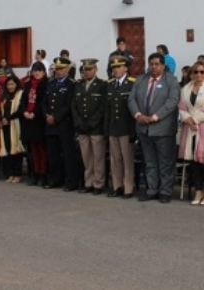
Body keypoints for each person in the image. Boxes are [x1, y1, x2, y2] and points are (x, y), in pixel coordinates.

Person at [129, 52, 181, 203]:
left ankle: (165, 191)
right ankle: (152, 190)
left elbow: (172, 101)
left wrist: (155, 117)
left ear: (163, 65)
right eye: (151, 64)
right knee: (150, 161)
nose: (154, 67)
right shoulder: (141, 79)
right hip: (144, 127)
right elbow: (131, 99)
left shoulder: (171, 80)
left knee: (165, 162)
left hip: (163, 128)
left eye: (157, 64)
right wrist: (138, 115)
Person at [178, 61, 204, 206]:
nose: (199, 74)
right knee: (193, 162)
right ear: (191, 74)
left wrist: (193, 118)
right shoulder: (185, 89)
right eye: (195, 72)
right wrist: (186, 118)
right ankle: (198, 190)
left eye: (202, 72)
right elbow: (182, 108)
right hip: (190, 128)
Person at [72, 59, 108, 194]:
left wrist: (92, 123)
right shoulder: (78, 85)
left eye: (89, 69)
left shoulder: (102, 85)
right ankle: (88, 182)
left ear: (95, 70)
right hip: (82, 128)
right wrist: (79, 123)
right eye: (85, 70)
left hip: (96, 128)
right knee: (86, 157)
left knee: (98, 158)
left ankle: (98, 184)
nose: (87, 72)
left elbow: (102, 107)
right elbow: (74, 106)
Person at [43, 57, 77, 190]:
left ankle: (71, 181)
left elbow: (69, 105)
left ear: (67, 70)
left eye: (61, 69)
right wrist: (46, 115)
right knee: (53, 154)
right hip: (50, 125)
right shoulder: (51, 83)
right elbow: (44, 102)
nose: (58, 71)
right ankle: (55, 179)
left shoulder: (71, 84)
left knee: (68, 155)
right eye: (57, 69)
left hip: (64, 124)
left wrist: (56, 117)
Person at [105, 56, 136, 199]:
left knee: (127, 159)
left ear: (125, 68)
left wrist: (133, 130)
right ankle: (117, 186)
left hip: (126, 128)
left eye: (118, 67)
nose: (116, 70)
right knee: (115, 159)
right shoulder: (110, 84)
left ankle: (128, 187)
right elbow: (107, 109)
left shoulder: (132, 84)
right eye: (114, 68)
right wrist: (106, 129)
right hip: (113, 127)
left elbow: (134, 109)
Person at [20, 62, 48, 186]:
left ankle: (43, 174)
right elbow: (23, 101)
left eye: (39, 70)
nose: (36, 73)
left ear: (44, 72)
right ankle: (35, 173)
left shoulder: (46, 84)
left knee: (42, 149)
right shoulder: (28, 85)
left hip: (39, 120)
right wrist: (24, 111)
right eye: (35, 70)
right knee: (32, 150)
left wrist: (34, 113)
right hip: (28, 121)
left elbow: (43, 102)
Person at [0, 76, 25, 183]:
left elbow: (20, 110)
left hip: (16, 125)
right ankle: (10, 173)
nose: (10, 86)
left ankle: (17, 174)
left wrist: (8, 119)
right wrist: (2, 118)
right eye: (8, 84)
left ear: (16, 84)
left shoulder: (21, 94)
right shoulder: (4, 96)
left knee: (16, 149)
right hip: (5, 126)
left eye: (12, 84)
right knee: (7, 149)